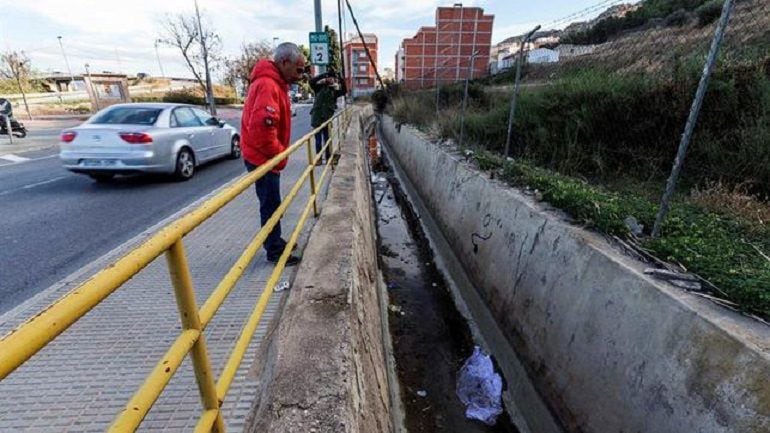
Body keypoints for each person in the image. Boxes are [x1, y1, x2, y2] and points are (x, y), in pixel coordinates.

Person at [241, 42, 306, 266]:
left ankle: (275, 240)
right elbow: (262, 130)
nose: (300, 75)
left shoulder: (274, 83)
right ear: (284, 62)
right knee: (270, 203)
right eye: (298, 69)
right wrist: (281, 154)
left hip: (264, 156)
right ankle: (274, 251)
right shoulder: (268, 85)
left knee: (272, 202)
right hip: (263, 157)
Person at [309, 70, 346, 164]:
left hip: (327, 119)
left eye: (333, 78)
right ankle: (319, 159)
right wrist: (323, 75)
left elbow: (344, 91)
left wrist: (341, 79)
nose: (331, 80)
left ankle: (329, 158)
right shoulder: (319, 87)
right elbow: (311, 82)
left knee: (328, 140)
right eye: (330, 78)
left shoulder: (334, 91)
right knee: (318, 141)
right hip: (317, 118)